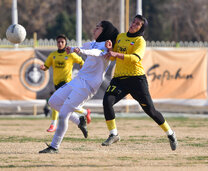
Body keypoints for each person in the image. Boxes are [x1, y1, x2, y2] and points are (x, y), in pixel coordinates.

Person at [39, 21, 119, 153]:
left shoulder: (106, 46)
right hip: (78, 80)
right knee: (53, 102)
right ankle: (80, 119)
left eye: (97, 28)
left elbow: (96, 53)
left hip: (88, 86)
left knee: (64, 113)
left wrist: (81, 50)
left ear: (104, 32)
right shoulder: (92, 43)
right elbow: (85, 47)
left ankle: (54, 146)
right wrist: (71, 49)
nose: (94, 29)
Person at [101, 15, 178, 151]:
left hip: (136, 79)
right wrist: (109, 50)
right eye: (133, 22)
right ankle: (114, 134)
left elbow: (135, 58)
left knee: (151, 111)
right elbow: (114, 53)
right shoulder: (121, 37)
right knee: (107, 101)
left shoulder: (140, 41)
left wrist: (116, 54)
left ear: (141, 28)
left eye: (137, 24)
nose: (133, 25)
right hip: (119, 78)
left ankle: (170, 133)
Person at [40, 34, 91, 132]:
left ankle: (53, 124)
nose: (60, 44)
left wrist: (82, 69)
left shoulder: (70, 54)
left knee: (54, 102)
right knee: (65, 105)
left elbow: (81, 62)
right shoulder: (53, 55)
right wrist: (43, 68)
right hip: (57, 83)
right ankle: (85, 112)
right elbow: (46, 66)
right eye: (58, 42)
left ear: (65, 43)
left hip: (67, 83)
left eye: (62, 42)